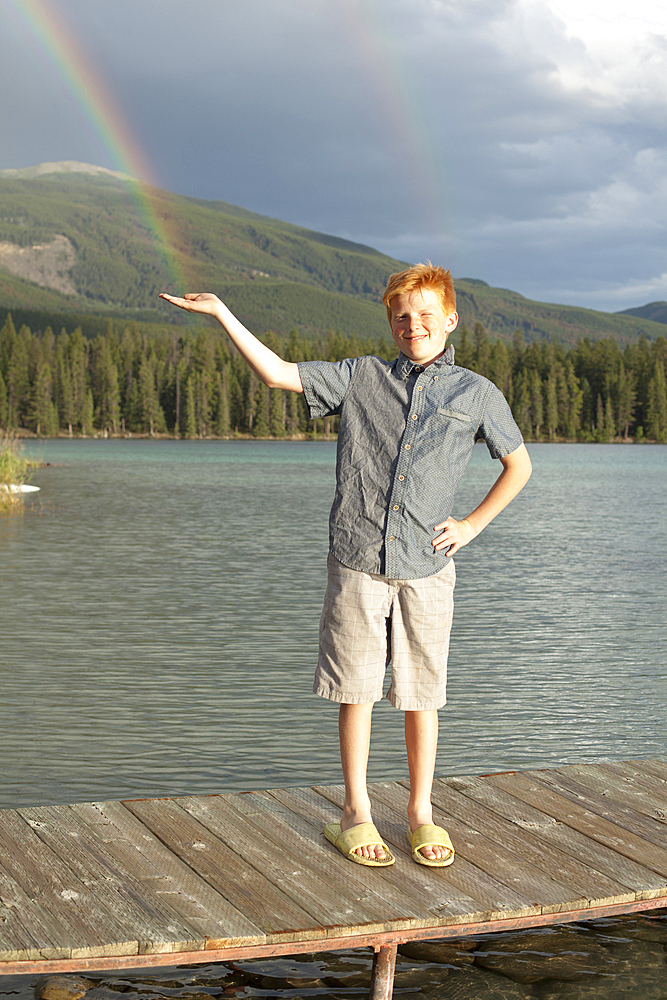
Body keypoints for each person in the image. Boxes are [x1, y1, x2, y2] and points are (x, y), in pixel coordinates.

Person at [160, 262, 531, 868]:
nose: (415, 325)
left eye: (427, 315)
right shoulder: (360, 378)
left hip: (428, 567)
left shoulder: (477, 393)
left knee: (421, 696)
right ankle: (355, 811)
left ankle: (420, 812)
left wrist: (470, 525)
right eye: (403, 316)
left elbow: (519, 467)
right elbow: (279, 374)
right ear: (391, 323)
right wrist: (223, 312)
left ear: (451, 319)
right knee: (355, 689)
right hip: (358, 558)